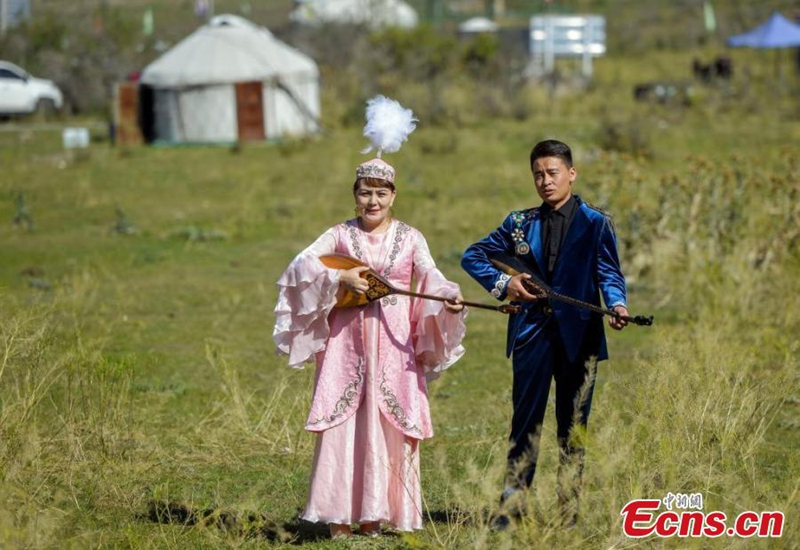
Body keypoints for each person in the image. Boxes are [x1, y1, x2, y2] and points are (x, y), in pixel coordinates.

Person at [273, 98, 467, 538]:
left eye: (381, 192)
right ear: (355, 195)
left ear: (394, 196)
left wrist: (448, 297)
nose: (372, 200)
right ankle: (338, 516)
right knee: (347, 422)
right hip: (348, 345)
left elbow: (431, 276)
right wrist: (345, 283)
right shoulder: (340, 234)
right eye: (364, 192)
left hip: (395, 347)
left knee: (386, 423)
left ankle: (378, 515)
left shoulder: (411, 237)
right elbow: (302, 266)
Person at [460, 139, 628, 527]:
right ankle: (512, 508)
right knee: (526, 422)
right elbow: (473, 255)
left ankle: (568, 513)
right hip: (531, 335)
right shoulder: (519, 223)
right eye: (538, 174)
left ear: (571, 173)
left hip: (579, 338)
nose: (545, 181)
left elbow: (609, 273)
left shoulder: (596, 222)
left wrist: (618, 305)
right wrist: (505, 283)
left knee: (573, 427)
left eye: (553, 173)